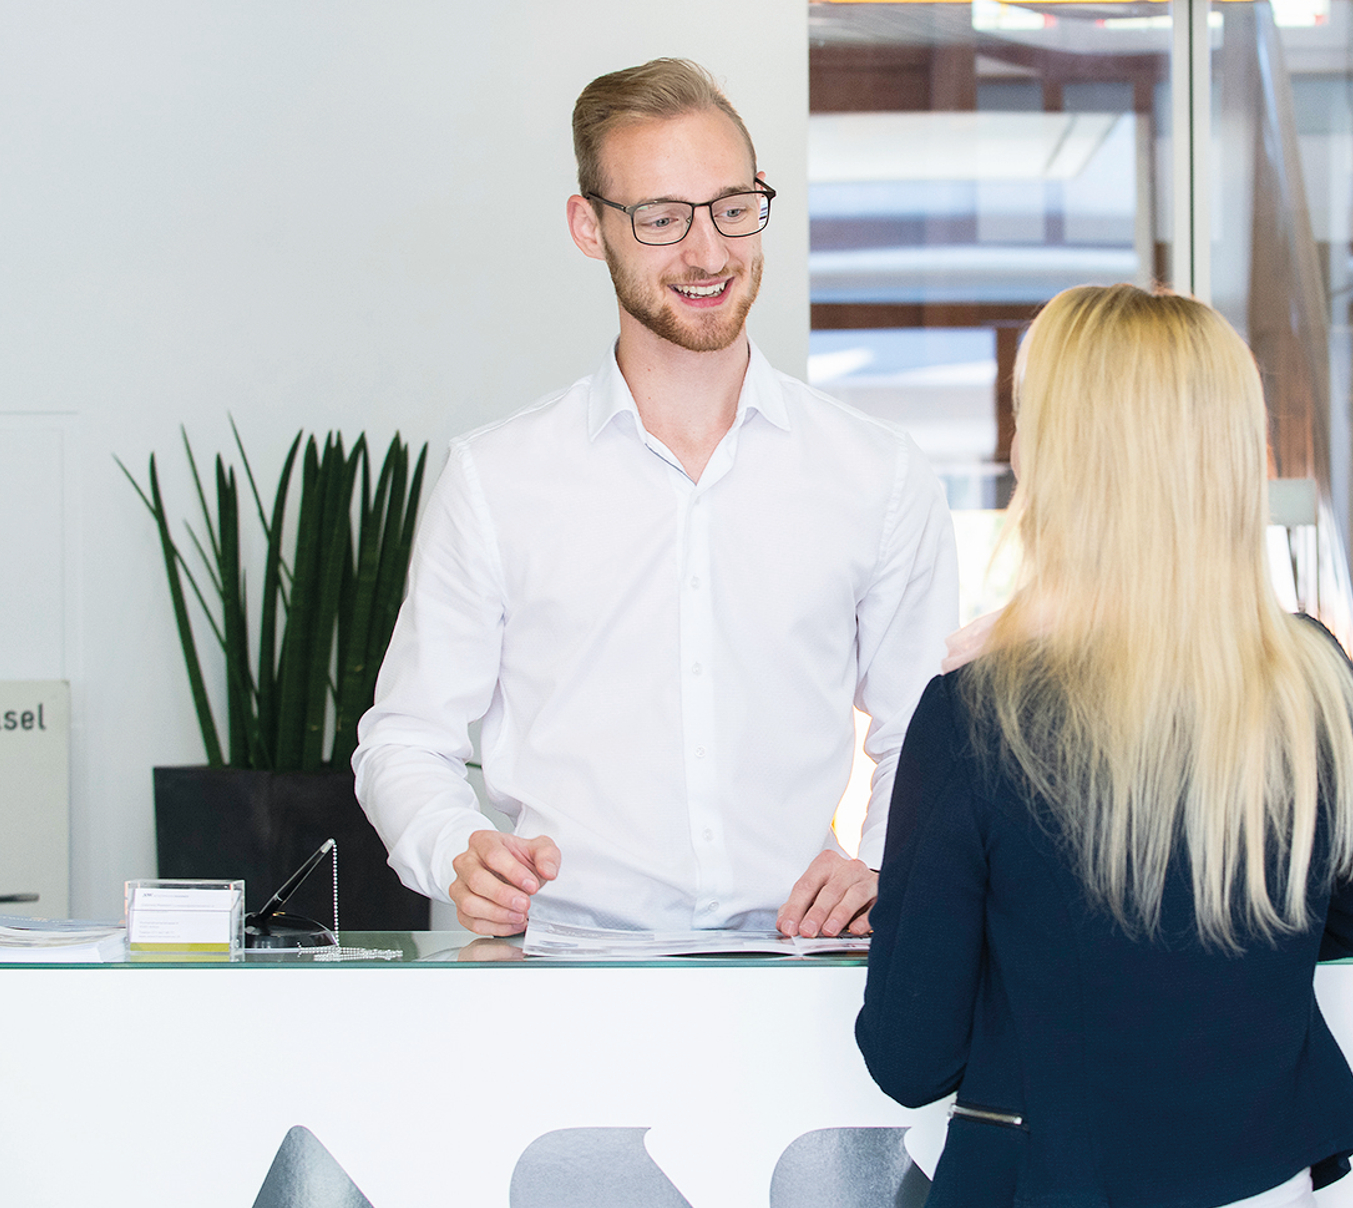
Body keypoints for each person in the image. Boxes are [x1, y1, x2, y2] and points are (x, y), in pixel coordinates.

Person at [353, 58, 958, 938]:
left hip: (799, 976)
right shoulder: (496, 479)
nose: (708, 251)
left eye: (732, 207)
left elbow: (923, 732)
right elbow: (405, 739)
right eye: (662, 217)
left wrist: (877, 863)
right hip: (561, 976)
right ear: (588, 227)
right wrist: (457, 846)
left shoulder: (879, 475)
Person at [856, 284, 1353, 1208]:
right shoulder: (1316, 680)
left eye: (1027, 418)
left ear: (1066, 460)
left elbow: (910, 1056)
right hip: (1271, 1181)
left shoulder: (979, 713)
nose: (1015, 446)